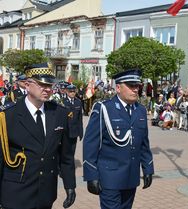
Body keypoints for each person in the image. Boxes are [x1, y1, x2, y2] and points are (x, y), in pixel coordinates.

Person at [0, 63, 76, 209]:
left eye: (50, 85)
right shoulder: (8, 116)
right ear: (27, 85)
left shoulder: (59, 113)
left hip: (45, 193)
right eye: (42, 85)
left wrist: (70, 184)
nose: (48, 89)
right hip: (16, 193)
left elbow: (66, 154)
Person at [83, 69, 154, 209]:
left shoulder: (140, 110)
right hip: (110, 177)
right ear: (118, 88)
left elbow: (144, 143)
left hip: (131, 176)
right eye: (131, 86)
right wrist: (91, 175)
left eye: (137, 86)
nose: (135, 90)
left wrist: (148, 168)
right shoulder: (103, 108)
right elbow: (90, 144)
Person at [63, 84, 83, 158]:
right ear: (67, 92)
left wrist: (81, 132)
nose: (72, 93)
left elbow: (79, 118)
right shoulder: (63, 102)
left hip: (74, 131)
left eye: (74, 91)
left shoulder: (78, 102)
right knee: (65, 151)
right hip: (65, 131)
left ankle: (70, 165)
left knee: (72, 151)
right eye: (70, 91)